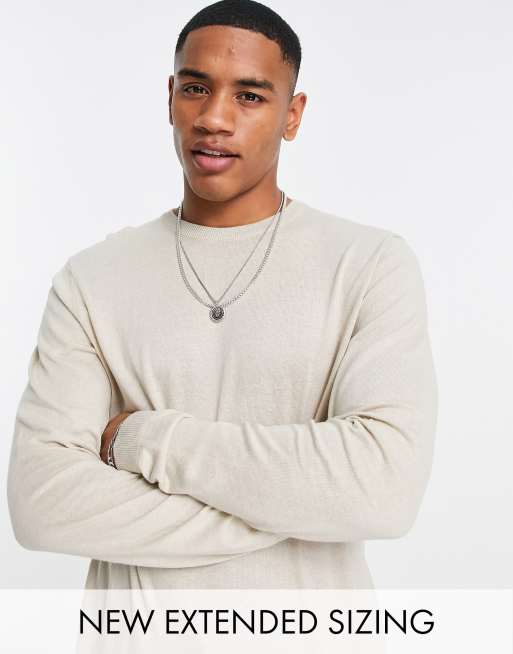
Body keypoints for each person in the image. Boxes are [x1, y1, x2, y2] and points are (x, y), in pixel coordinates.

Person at [7, 0, 438, 591]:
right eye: (195, 89)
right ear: (170, 98)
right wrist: (294, 510)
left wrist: (144, 438)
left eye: (250, 96)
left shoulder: (369, 264)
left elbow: (383, 490)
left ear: (292, 115)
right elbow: (43, 504)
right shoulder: (92, 279)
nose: (214, 118)